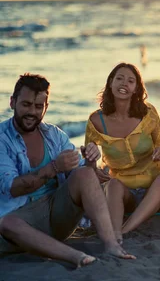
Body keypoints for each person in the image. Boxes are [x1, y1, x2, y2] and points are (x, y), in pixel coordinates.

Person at [0, 74, 135, 267]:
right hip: (20, 222)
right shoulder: (2, 139)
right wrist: (54, 167)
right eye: (26, 104)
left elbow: (82, 180)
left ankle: (111, 245)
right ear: (12, 102)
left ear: (46, 107)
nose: (32, 112)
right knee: (6, 223)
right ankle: (75, 257)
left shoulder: (54, 135)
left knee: (85, 173)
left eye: (39, 107)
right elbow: (12, 187)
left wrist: (90, 162)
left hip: (56, 216)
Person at [85, 63, 160, 244]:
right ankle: (115, 233)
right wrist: (94, 167)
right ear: (110, 83)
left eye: (130, 81)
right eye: (119, 78)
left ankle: (125, 230)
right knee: (113, 185)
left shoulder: (148, 113)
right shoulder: (96, 120)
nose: (124, 84)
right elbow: (89, 163)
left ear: (136, 89)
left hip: (155, 191)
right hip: (124, 194)